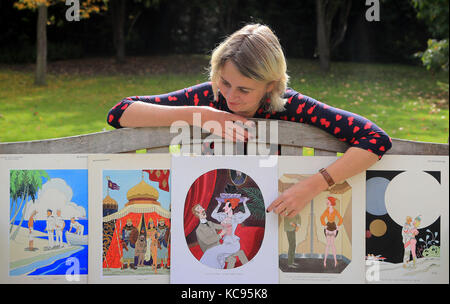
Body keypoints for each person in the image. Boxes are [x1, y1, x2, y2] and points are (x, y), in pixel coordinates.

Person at [107, 23, 392, 218]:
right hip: (202, 208)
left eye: (244, 90)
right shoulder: (211, 96)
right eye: (225, 82)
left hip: (271, 214)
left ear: (271, 85)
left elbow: (375, 139)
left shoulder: (290, 105)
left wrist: (312, 185)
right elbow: (119, 113)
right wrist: (202, 115)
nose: (231, 97)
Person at [320, 196, 343, 268]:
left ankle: (335, 260)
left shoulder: (335, 211)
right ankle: (325, 261)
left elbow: (340, 219)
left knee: (332, 245)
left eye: (328, 201)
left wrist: (338, 226)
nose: (327, 203)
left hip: (333, 227)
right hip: (328, 226)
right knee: (328, 245)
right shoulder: (326, 210)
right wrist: (324, 225)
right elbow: (322, 218)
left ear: (331, 203)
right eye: (327, 201)